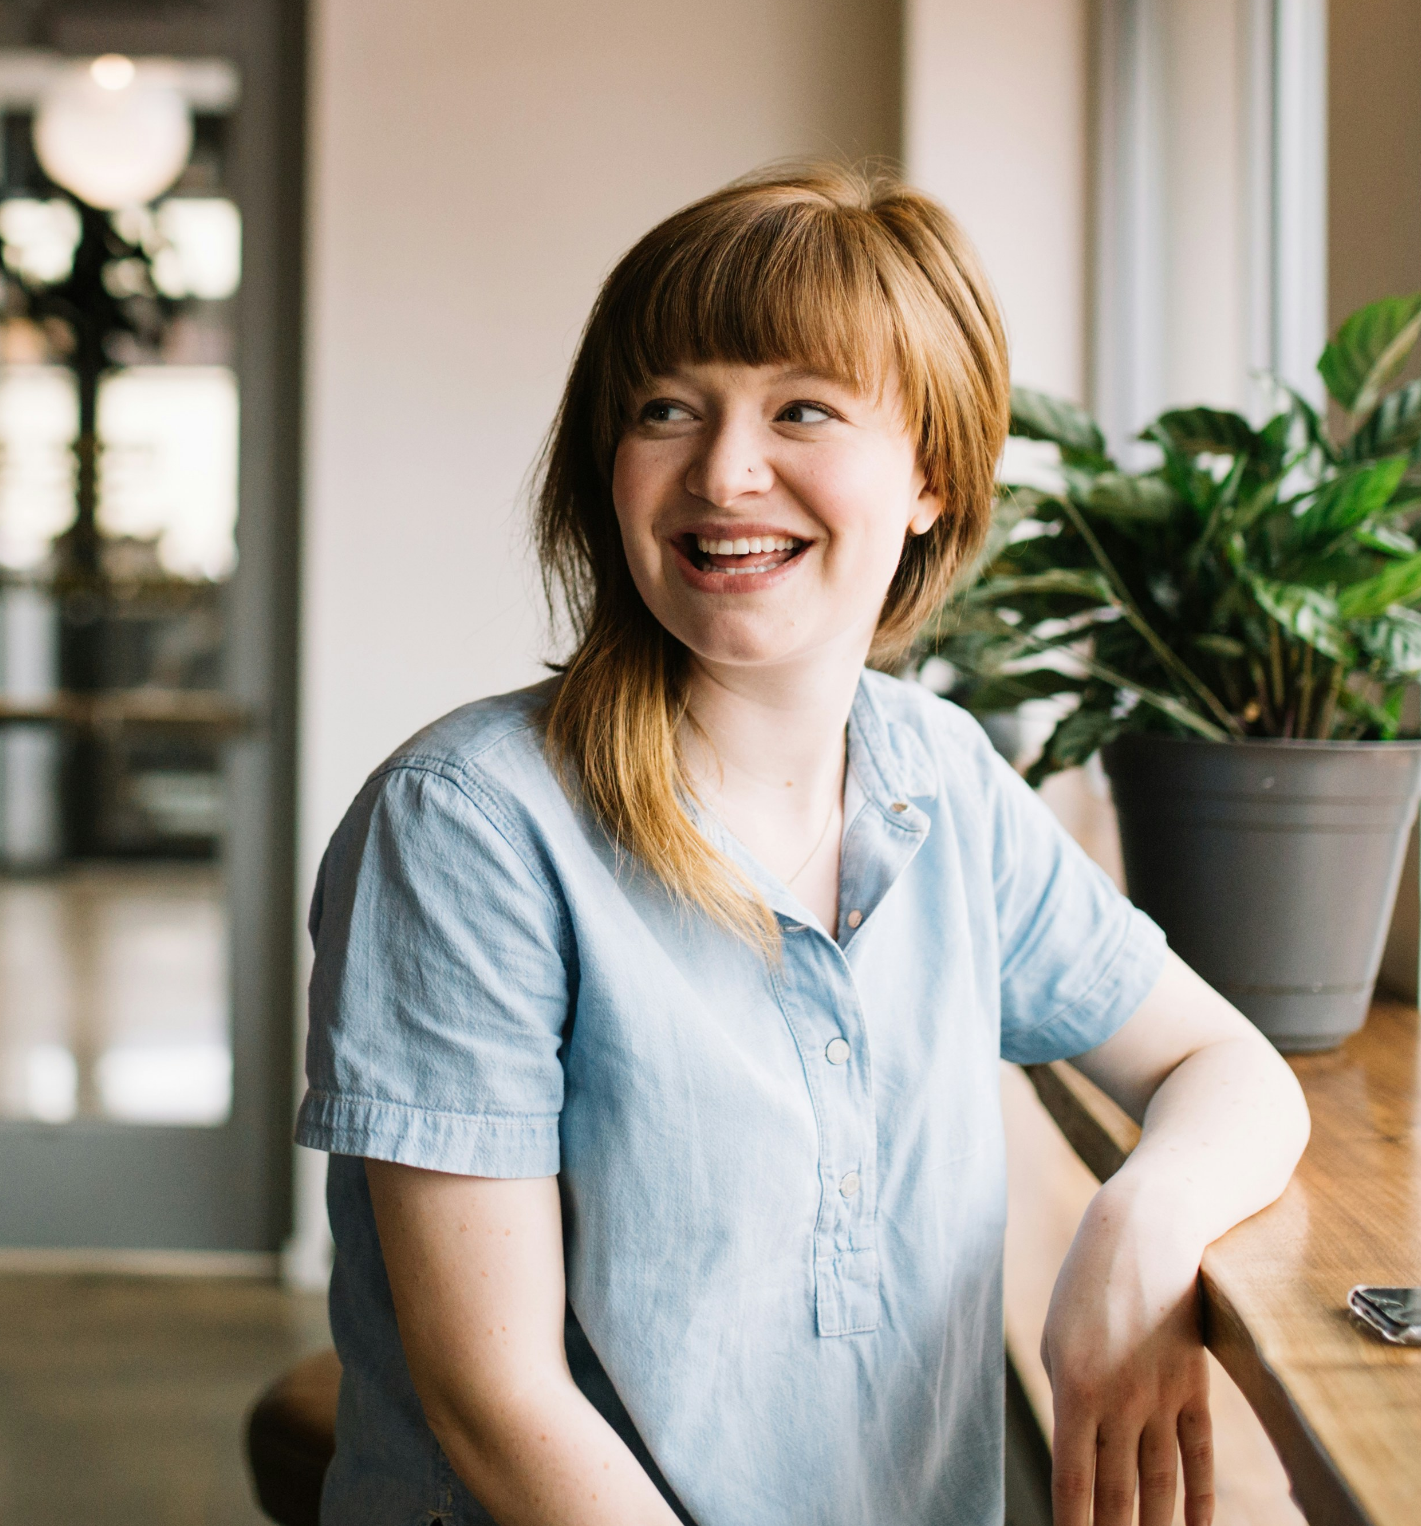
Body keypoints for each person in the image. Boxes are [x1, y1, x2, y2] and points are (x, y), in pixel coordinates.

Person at [296, 164, 1309, 1526]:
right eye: (666, 409)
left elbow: (1226, 1067)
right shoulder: (467, 824)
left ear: (932, 479)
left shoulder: (939, 775)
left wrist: (1140, 1226)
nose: (723, 471)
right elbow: (499, 1406)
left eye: (802, 410)